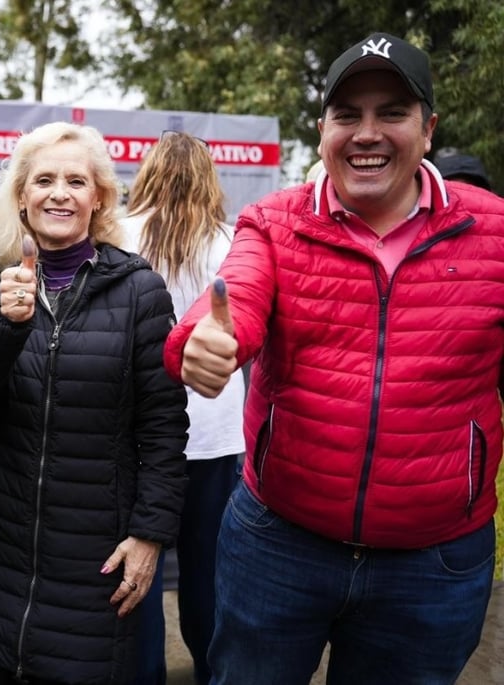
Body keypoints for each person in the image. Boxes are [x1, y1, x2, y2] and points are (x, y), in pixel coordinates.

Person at [165, 32, 504, 684]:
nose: (367, 133)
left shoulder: (492, 233)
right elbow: (232, 302)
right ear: (323, 131)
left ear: (427, 129)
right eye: (348, 115)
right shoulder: (273, 222)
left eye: (392, 113)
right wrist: (201, 346)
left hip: (432, 564)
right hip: (278, 545)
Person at [0, 121, 189, 685]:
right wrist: (4, 324)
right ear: (22, 198)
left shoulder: (140, 291)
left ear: (99, 196)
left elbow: (163, 425)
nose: (59, 192)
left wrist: (150, 534)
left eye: (76, 181)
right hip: (4, 551)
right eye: (44, 180)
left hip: (93, 553)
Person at [120, 130, 244, 685]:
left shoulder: (117, 235)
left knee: (134, 569)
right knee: (208, 573)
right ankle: (210, 671)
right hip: (217, 434)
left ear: (147, 173)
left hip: (136, 434)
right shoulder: (234, 242)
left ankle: (141, 672)